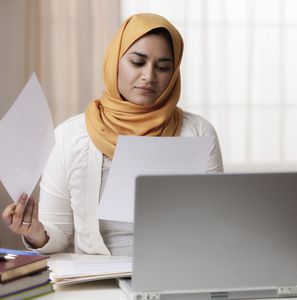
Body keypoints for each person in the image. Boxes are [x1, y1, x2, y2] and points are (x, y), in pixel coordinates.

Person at [1, 13, 223, 255]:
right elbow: (59, 236)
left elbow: (214, 225)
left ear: (174, 75)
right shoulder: (69, 136)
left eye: (163, 67)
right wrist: (34, 232)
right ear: (114, 61)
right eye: (137, 62)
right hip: (98, 283)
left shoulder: (199, 133)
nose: (149, 76)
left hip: (177, 276)